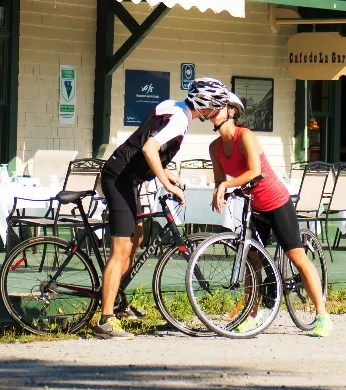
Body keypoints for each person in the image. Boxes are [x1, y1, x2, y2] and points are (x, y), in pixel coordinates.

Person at [91, 76, 229, 339]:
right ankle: (105, 321)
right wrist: (167, 183)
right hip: (119, 178)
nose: (215, 112)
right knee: (120, 250)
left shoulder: (173, 106)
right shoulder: (179, 120)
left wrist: (164, 171)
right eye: (215, 106)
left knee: (138, 238)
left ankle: (117, 301)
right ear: (206, 105)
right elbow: (149, 147)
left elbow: (145, 141)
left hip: (127, 179)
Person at [209, 93, 332, 338]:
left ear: (231, 112)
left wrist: (226, 186)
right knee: (250, 259)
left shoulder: (245, 136)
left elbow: (255, 171)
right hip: (253, 206)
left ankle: (322, 315)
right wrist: (220, 190)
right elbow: (220, 181)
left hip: (275, 201)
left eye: (218, 107)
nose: (211, 110)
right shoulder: (214, 147)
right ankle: (250, 313)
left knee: (296, 255)